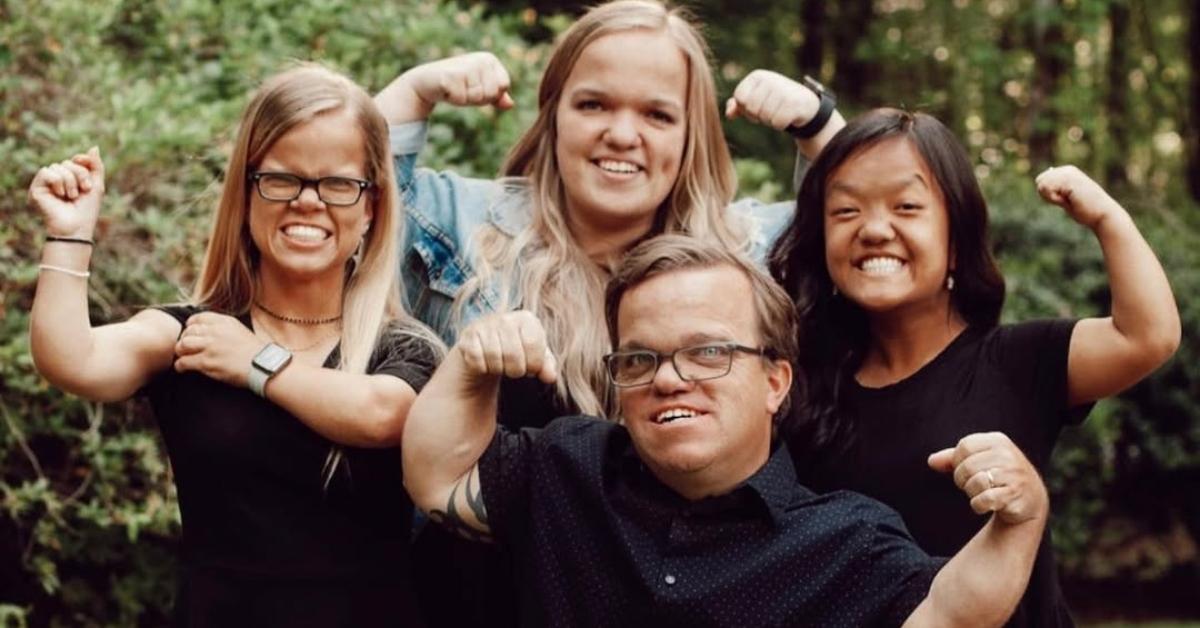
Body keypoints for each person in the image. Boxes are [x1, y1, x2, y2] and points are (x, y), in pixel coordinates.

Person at [374, 2, 843, 623]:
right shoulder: (468, 228)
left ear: (689, 134)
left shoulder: (743, 253)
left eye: (657, 114)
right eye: (594, 104)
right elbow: (346, 186)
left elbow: (864, 211)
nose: (623, 134)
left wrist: (819, 124)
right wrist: (415, 90)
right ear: (554, 117)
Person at [402, 234, 1050, 627]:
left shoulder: (848, 545)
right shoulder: (563, 468)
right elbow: (439, 478)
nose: (667, 378)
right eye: (639, 358)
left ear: (776, 382)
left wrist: (1019, 523)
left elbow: (951, 615)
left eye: (708, 352)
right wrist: (469, 364)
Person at [27, 64, 442, 626]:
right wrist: (69, 234)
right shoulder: (190, 335)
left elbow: (383, 416)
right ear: (245, 192)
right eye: (281, 178)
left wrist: (258, 363)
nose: (308, 201)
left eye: (339, 184)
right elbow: (73, 360)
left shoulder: (404, 349)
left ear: (371, 206)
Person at [768, 108, 1181, 627]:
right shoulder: (801, 388)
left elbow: (1147, 336)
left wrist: (1106, 218)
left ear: (957, 242)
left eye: (907, 206)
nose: (874, 228)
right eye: (846, 211)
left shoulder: (1018, 360)